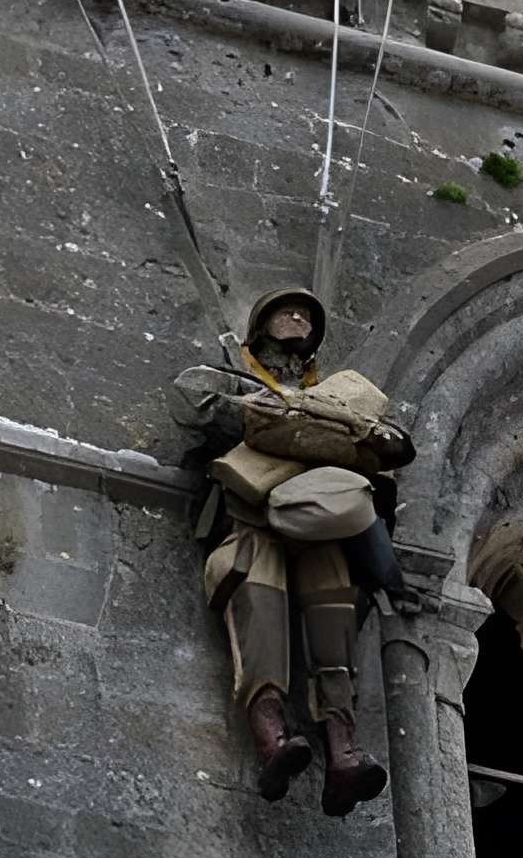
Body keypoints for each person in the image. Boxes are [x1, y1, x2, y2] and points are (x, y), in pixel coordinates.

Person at [173, 289, 414, 817]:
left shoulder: (336, 398)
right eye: (287, 311)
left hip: (318, 523)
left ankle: (343, 750)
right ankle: (272, 740)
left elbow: (381, 465)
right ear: (262, 325)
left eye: (306, 314)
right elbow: (200, 415)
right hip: (251, 519)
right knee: (258, 611)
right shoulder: (236, 383)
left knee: (333, 619)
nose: (299, 317)